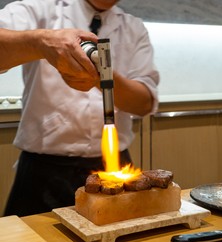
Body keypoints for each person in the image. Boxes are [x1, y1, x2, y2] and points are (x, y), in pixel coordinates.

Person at [0, 0, 159, 216]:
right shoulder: (40, 8)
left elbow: (144, 103)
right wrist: (42, 43)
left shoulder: (133, 27)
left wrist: (100, 74)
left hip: (115, 166)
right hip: (45, 173)